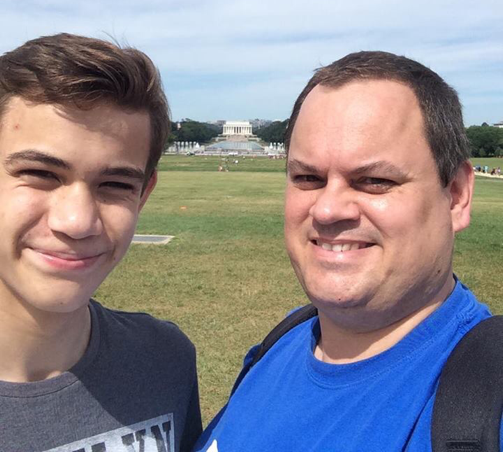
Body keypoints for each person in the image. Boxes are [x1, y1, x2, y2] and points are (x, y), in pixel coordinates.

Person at [195, 50, 501, 452]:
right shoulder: (277, 346)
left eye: (374, 180)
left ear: (456, 196)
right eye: (307, 177)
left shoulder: (488, 404)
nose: (326, 210)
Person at [0, 33, 201, 452]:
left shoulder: (164, 360)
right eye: (41, 174)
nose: (77, 222)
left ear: (143, 195)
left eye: (115, 184)